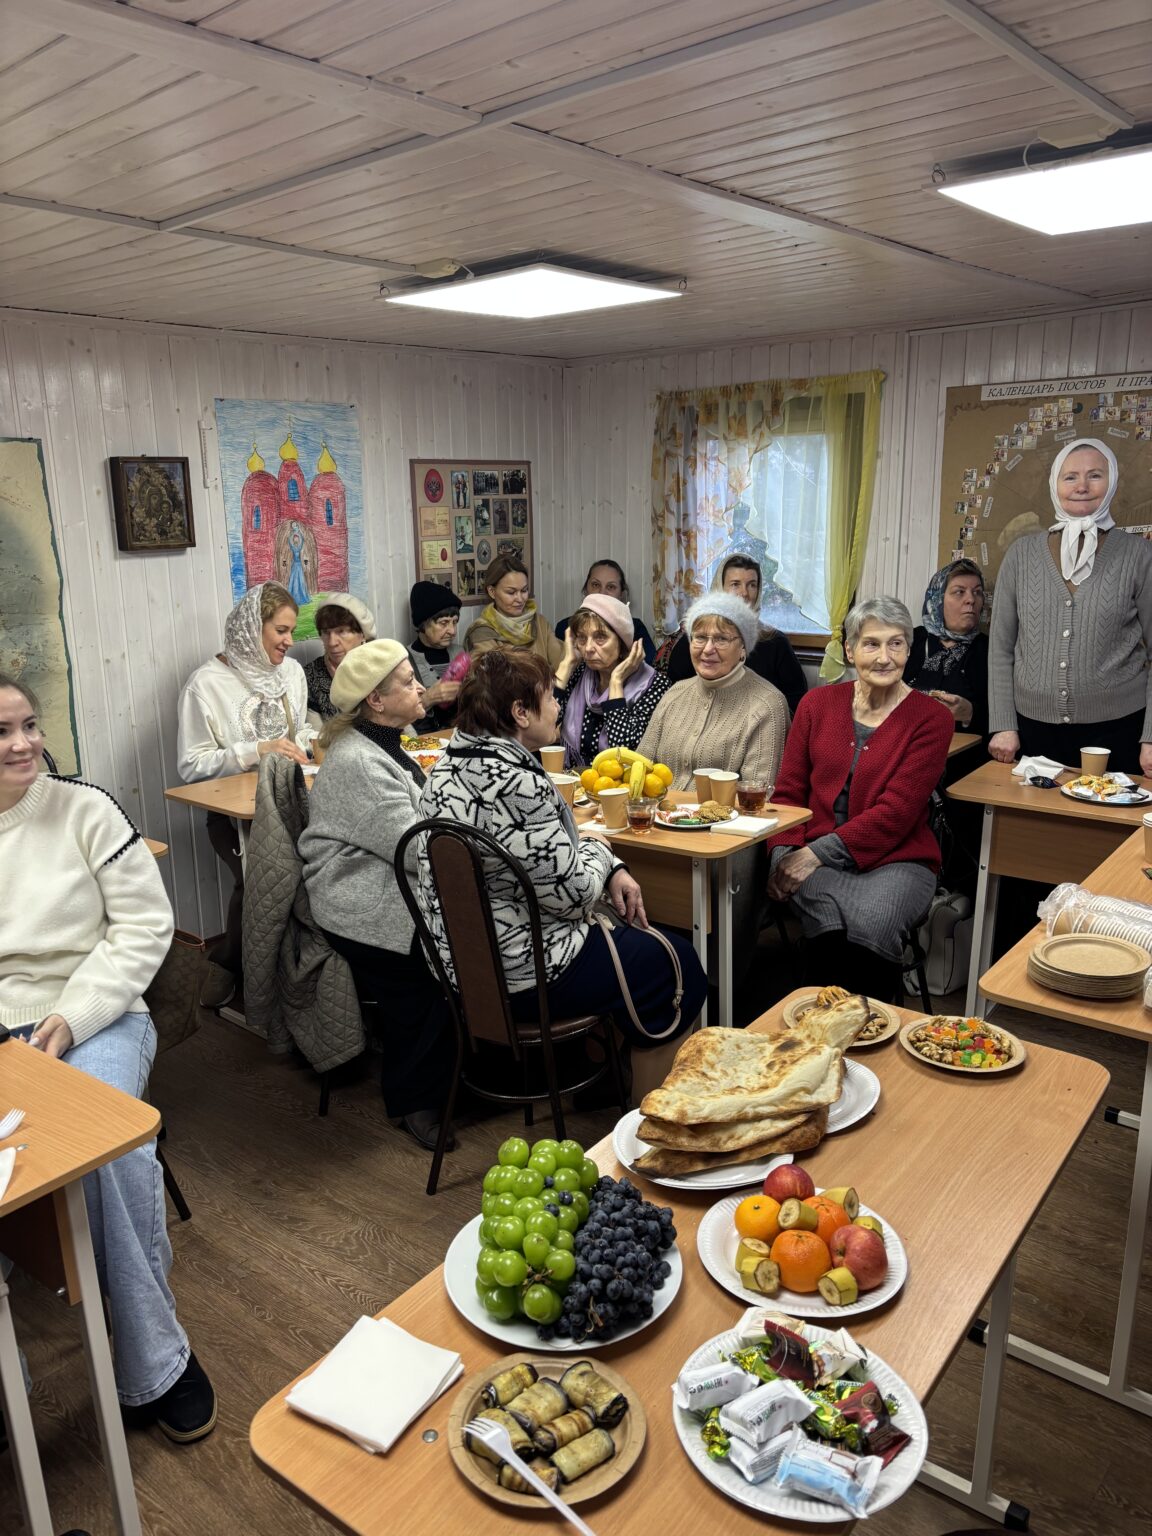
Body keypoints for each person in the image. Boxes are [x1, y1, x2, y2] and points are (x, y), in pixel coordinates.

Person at [0, 675, 216, 1442]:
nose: (23, 744)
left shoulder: (84, 808)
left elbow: (144, 926)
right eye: (1, 733)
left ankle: (155, 1359)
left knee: (112, 1154)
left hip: (97, 1013)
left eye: (29, 725)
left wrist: (70, 1018)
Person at [418, 650, 705, 1097]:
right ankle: (646, 1117)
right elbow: (575, 896)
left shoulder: (444, 771)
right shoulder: (517, 784)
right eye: (550, 696)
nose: (557, 705)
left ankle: (606, 1080)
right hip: (526, 975)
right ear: (520, 713)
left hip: (462, 970)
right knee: (677, 963)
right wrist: (602, 851)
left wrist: (599, 859)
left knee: (637, 950)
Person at [299, 642, 450, 1151]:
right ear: (376, 701)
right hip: (351, 894)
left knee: (459, 935)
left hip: (376, 872)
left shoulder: (386, 742)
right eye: (408, 682)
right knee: (429, 960)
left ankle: (461, 1065)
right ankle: (413, 1098)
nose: (421, 688)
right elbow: (415, 848)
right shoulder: (361, 760)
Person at [766, 598, 954, 1001]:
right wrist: (782, 856)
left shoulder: (933, 719)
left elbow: (896, 814)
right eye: (871, 644)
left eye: (896, 644)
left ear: (908, 650)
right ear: (850, 650)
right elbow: (788, 793)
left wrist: (811, 857)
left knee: (871, 921)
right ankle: (824, 1027)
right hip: (812, 851)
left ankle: (870, 1029)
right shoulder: (816, 705)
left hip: (899, 859)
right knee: (833, 923)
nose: (884, 657)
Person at [176, 582, 313, 1007]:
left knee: (311, 879)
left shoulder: (291, 673)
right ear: (252, 630)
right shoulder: (206, 684)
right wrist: (256, 751)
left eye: (291, 631)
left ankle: (293, 974)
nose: (289, 642)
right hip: (233, 815)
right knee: (258, 885)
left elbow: (299, 731)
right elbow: (191, 765)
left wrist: (311, 741)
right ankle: (228, 966)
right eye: (280, 631)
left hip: (293, 799)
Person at [988, 439, 1152, 775]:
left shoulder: (1139, 555)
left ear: (1111, 482)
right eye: (1070, 477)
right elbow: (1000, 649)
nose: (1082, 486)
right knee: (1031, 812)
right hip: (1032, 730)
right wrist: (1003, 724)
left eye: (1095, 475)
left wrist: (1151, 737)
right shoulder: (1020, 555)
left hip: (1119, 731)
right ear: (1055, 484)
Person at [636, 591, 789, 791]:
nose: (708, 649)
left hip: (724, 812)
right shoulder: (675, 694)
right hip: (659, 810)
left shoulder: (767, 705)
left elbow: (758, 797)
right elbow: (640, 768)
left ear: (743, 647)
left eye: (721, 639)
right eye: (700, 637)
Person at [662, 554, 808, 717]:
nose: (744, 593)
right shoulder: (695, 639)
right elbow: (676, 695)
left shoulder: (775, 642)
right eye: (735, 584)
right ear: (719, 589)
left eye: (752, 585)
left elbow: (797, 703)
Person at [554, 593, 670, 766]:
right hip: (574, 779)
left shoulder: (654, 686)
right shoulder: (580, 673)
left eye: (600, 637)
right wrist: (567, 664)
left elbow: (623, 752)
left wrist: (616, 682)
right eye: (582, 637)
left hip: (622, 781)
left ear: (622, 643)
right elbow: (544, 726)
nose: (588, 648)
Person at [903, 559, 988, 736]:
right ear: (938, 600)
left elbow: (1006, 723)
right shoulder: (912, 640)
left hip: (960, 749)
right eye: (959, 592)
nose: (971, 600)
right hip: (903, 742)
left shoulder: (989, 651)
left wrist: (970, 713)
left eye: (977, 592)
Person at [462, 554, 563, 669]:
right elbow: (492, 676)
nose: (520, 599)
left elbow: (562, 663)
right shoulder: (481, 632)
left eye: (524, 590)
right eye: (511, 592)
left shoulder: (539, 622)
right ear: (492, 592)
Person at [554, 561, 656, 662]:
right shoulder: (565, 627)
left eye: (611, 587)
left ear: (621, 594)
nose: (602, 593)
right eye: (595, 585)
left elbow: (649, 665)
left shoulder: (635, 628)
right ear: (585, 590)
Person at [301, 593, 376, 724]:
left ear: (362, 634)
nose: (332, 642)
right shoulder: (310, 676)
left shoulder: (380, 667)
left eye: (341, 631)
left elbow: (401, 720)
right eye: (326, 632)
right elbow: (317, 734)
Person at [407, 580, 464, 735]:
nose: (452, 631)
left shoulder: (460, 653)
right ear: (423, 624)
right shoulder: (405, 661)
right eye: (443, 623)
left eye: (454, 622)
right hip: (426, 743)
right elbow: (397, 719)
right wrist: (428, 699)